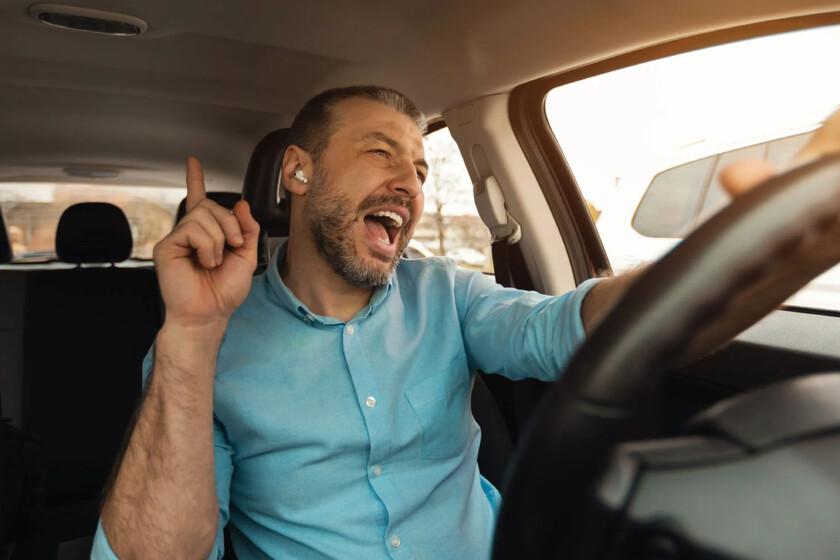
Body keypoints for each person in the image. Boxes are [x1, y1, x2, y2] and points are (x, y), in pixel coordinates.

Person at [92, 86, 840, 560]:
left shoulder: (447, 295)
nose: (409, 185)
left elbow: (586, 327)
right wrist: (191, 336)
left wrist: (757, 249)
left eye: (420, 170)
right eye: (381, 153)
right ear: (299, 171)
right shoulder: (201, 347)